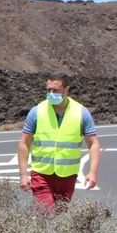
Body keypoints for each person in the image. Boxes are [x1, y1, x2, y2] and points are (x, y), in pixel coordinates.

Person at [16, 73, 101, 213]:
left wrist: (92, 173)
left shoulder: (81, 113)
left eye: (55, 90)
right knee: (46, 214)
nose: (51, 94)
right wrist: (23, 175)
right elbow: (24, 143)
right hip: (42, 174)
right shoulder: (37, 112)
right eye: (48, 90)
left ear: (66, 90)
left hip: (68, 176)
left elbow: (93, 144)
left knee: (60, 217)